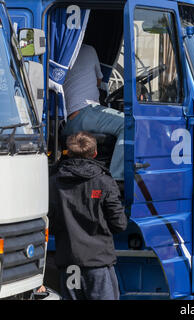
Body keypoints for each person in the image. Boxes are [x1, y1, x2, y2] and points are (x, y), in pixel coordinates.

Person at [48, 131, 128, 300]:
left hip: (68, 261)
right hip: (98, 262)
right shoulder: (104, 182)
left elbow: (51, 223)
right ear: (95, 153)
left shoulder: (53, 181)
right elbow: (119, 224)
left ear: (68, 153)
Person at [62, 43, 124, 181]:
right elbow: (99, 81)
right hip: (85, 110)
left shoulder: (63, 49)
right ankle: (117, 179)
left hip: (67, 120)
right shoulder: (89, 50)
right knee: (129, 123)